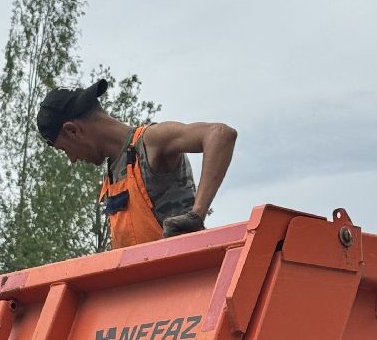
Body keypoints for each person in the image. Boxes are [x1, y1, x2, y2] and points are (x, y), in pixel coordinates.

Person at [36, 78, 237, 248]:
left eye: (64, 150)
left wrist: (197, 214)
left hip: (187, 279)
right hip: (145, 286)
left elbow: (220, 135)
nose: (72, 159)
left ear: (73, 130)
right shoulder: (112, 172)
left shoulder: (150, 142)